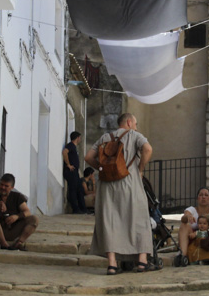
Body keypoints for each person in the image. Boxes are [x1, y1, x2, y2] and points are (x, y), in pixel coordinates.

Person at [84, 113, 156, 274]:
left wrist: (104, 169)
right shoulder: (134, 135)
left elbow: (88, 157)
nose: (136, 127)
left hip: (106, 185)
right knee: (138, 218)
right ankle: (142, 261)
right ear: (129, 122)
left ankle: (112, 264)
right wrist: (140, 169)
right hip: (129, 183)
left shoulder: (104, 138)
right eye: (135, 124)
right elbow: (148, 149)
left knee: (110, 221)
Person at [0, 173, 38, 250]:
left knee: (34, 219)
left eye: (6, 186)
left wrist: (16, 217)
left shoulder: (18, 197)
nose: (3, 187)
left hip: (12, 229)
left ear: (12, 187)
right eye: (1, 185)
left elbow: (27, 212)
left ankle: (19, 242)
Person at [63, 131, 87, 214]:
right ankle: (75, 209)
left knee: (79, 189)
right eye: (79, 137)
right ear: (77, 138)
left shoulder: (74, 147)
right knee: (73, 190)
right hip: (71, 171)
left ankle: (82, 209)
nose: (80, 139)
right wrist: (68, 164)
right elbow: (64, 152)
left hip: (75, 171)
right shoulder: (70, 145)